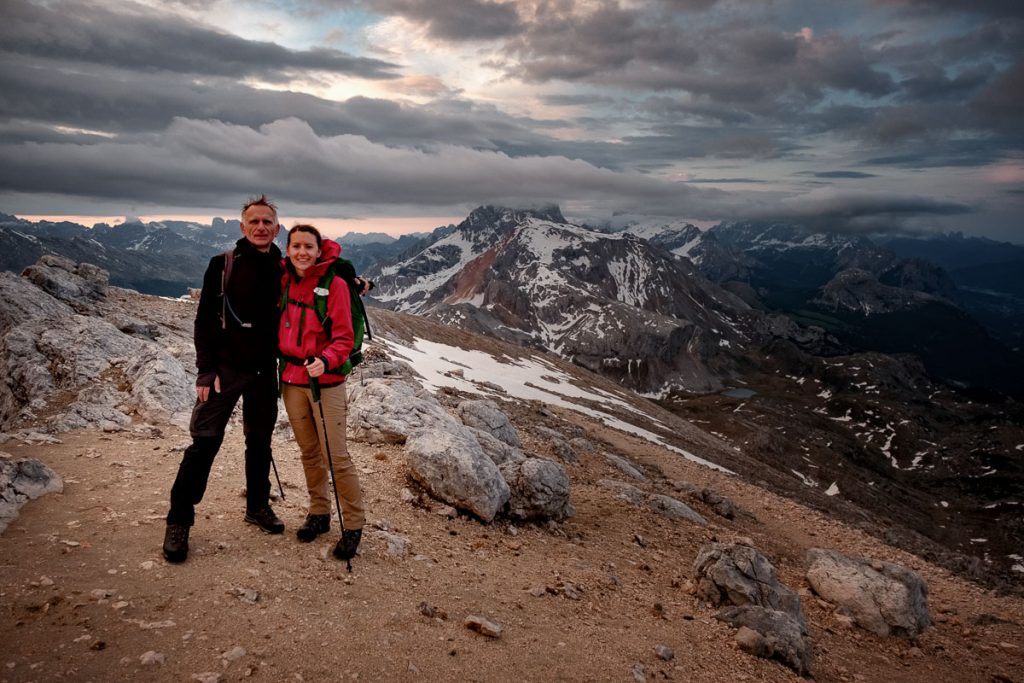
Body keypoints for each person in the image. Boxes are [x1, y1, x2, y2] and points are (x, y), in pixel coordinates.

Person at [163, 195, 286, 563]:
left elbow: (326, 269)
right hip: (225, 370)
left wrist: (355, 282)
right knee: (203, 444)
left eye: (267, 222)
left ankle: (257, 506)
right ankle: (178, 521)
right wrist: (205, 369)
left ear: (277, 229)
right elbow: (204, 320)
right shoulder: (222, 264)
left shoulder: (285, 266)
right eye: (255, 222)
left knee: (260, 442)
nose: (261, 227)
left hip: (265, 371)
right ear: (242, 227)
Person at [278, 224, 366, 562]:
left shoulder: (336, 285)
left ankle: (354, 525)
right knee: (308, 451)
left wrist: (326, 360)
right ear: (288, 249)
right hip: (291, 378)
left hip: (325, 382)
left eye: (308, 247)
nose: (302, 252)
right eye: (296, 246)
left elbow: (344, 338)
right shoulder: (285, 279)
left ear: (319, 250)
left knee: (336, 456)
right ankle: (319, 513)